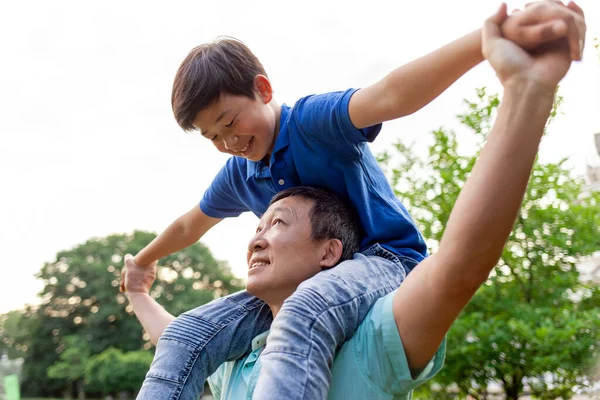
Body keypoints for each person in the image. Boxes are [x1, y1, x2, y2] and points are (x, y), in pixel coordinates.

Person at [122, 2, 586, 398]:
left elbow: (391, 94)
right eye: (212, 137)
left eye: (230, 122)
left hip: (384, 260)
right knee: (186, 335)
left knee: (304, 309)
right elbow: (190, 224)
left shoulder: (310, 122)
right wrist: (142, 263)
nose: (228, 142)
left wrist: (483, 43)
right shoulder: (239, 173)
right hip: (314, 283)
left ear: (263, 90)